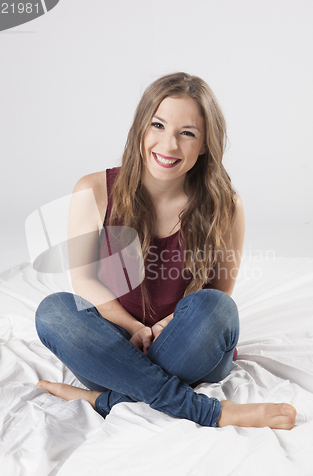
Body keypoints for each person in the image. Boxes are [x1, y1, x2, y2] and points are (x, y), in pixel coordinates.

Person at [35, 72, 296, 429]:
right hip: (117, 343)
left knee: (218, 309)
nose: (168, 145)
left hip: (190, 348)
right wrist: (134, 329)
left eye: (187, 133)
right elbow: (83, 280)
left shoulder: (227, 205)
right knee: (54, 312)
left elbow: (219, 291)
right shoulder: (93, 189)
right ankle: (208, 412)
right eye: (157, 125)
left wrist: (165, 327)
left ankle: (107, 398)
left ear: (205, 144)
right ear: (141, 127)